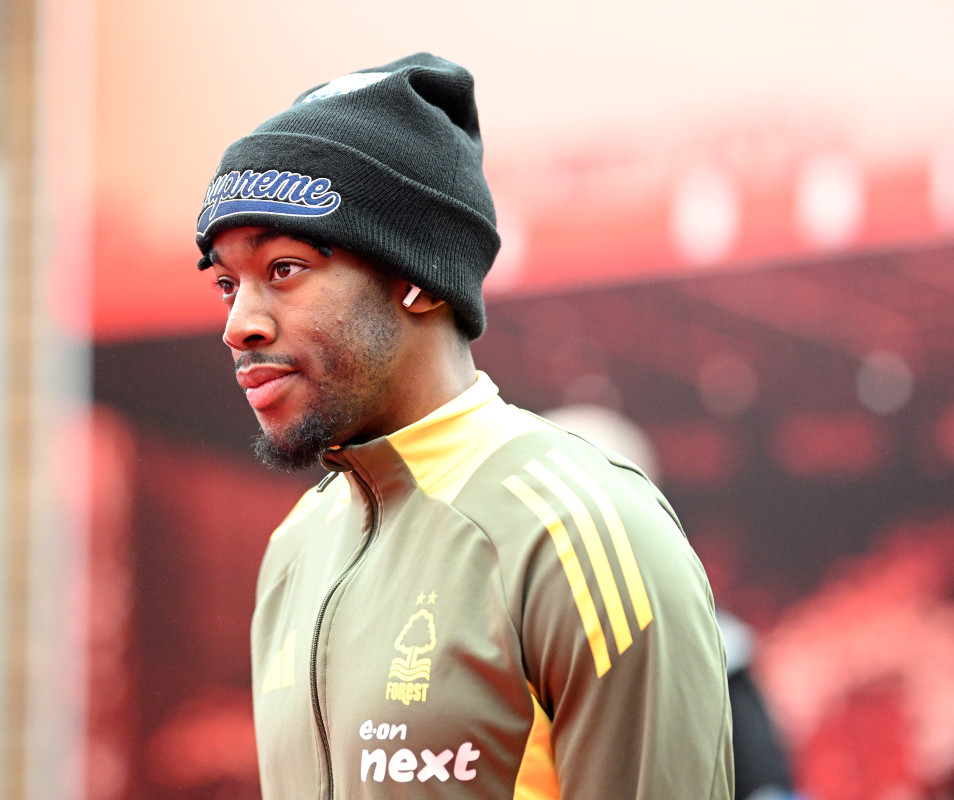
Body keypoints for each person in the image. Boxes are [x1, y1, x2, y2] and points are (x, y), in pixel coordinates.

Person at [195, 53, 733, 800]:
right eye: (227, 283)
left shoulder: (583, 527)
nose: (238, 324)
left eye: (284, 268)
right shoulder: (295, 548)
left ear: (417, 274)